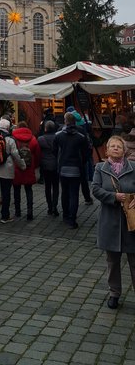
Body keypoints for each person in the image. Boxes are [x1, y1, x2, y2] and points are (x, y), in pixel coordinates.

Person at [92, 136, 135, 309]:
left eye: (119, 146)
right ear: (107, 150)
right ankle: (114, 293)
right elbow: (95, 189)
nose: (116, 148)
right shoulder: (100, 168)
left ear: (125, 150)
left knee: (134, 261)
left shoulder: (133, 167)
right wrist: (113, 197)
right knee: (112, 261)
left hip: (131, 222)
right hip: (109, 221)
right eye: (112, 146)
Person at [53, 112, 87, 229]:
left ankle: (65, 215)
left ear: (65, 121)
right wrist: (81, 163)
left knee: (65, 193)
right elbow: (86, 153)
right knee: (74, 194)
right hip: (76, 168)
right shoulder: (80, 136)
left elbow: (54, 151)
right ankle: (72, 219)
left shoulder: (58, 136)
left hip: (63, 167)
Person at [0, 117, 26, 223]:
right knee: (6, 193)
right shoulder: (10, 139)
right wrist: (22, 165)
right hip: (7, 169)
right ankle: (5, 216)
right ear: (8, 127)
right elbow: (15, 154)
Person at [12, 121, 41, 220]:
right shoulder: (33, 139)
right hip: (29, 167)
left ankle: (17, 211)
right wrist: (35, 166)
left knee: (16, 190)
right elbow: (37, 155)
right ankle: (30, 212)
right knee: (29, 190)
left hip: (17, 167)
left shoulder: (14, 139)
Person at [37, 120, 59, 216]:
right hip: (56, 165)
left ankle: (49, 207)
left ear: (45, 128)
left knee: (47, 186)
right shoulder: (57, 138)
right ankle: (55, 206)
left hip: (45, 165)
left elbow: (38, 153)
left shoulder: (40, 139)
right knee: (56, 186)